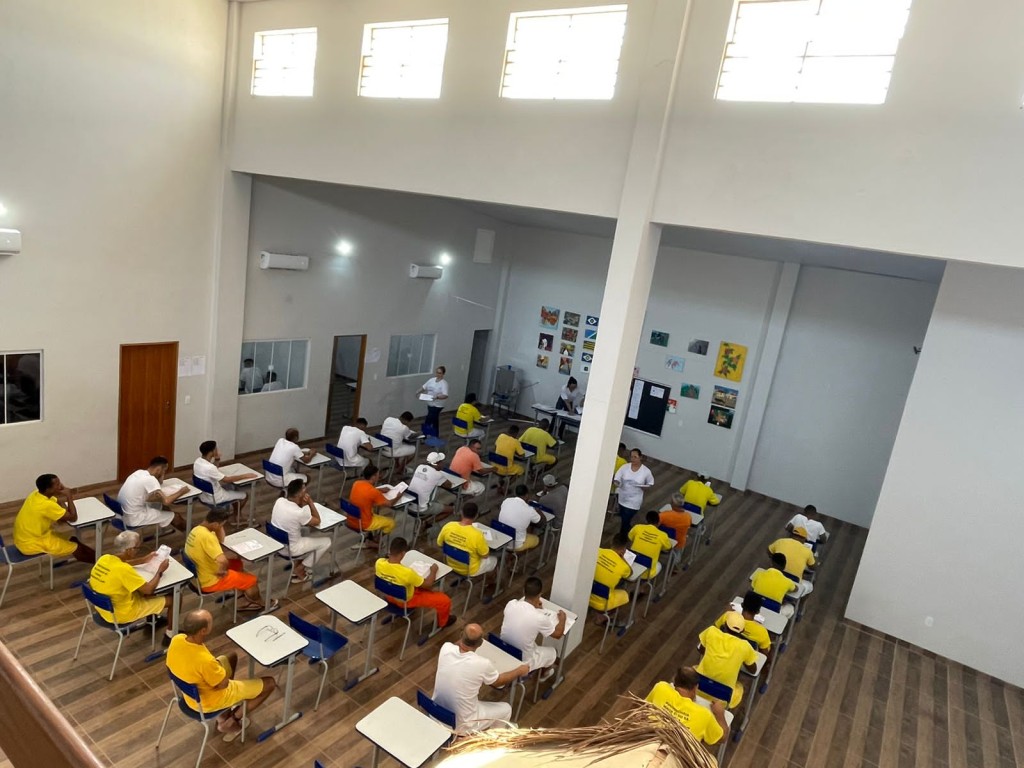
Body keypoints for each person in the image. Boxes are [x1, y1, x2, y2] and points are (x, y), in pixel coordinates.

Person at [166, 609, 276, 740]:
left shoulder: (177, 639)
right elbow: (223, 685)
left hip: (190, 695)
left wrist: (218, 670)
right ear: (203, 631)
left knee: (230, 657)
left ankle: (223, 715)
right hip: (210, 702)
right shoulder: (205, 661)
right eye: (210, 622)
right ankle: (231, 721)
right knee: (270, 683)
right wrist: (220, 672)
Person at [432, 623, 529, 731]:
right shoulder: (482, 664)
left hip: (436, 712)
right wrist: (520, 670)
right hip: (462, 723)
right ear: (480, 643)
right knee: (506, 709)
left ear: (461, 635)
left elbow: (457, 645)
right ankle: (494, 737)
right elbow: (499, 682)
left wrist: (465, 637)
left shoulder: (446, 648)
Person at [89, 530, 175, 645]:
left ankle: (153, 619)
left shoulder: (104, 558)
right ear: (130, 550)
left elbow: (124, 563)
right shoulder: (124, 570)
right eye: (138, 548)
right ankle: (170, 635)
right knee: (173, 599)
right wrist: (160, 571)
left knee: (140, 591)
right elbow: (148, 589)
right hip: (122, 614)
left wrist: (143, 560)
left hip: (103, 609)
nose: (138, 551)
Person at [184, 508, 276, 612]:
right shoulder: (207, 537)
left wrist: (218, 526)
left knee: (237, 564)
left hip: (199, 574)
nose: (222, 527)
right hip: (210, 581)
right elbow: (222, 561)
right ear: (215, 524)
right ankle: (261, 603)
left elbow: (221, 539)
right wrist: (222, 571)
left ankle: (240, 596)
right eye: (221, 525)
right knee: (252, 580)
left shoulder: (196, 530)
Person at [375, 536, 457, 628]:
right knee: (444, 601)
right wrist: (433, 571)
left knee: (417, 586)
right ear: (403, 553)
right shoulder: (407, 573)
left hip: (389, 596)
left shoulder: (379, 563)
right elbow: (428, 585)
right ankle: (443, 623)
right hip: (405, 601)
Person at [13, 474, 95, 563]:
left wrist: (64, 510)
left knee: (73, 539)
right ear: (48, 489)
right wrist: (69, 496)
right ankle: (99, 563)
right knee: (76, 548)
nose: (60, 486)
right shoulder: (46, 505)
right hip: (32, 543)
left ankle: (97, 558)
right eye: (57, 484)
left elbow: (57, 501)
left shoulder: (35, 494)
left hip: (24, 537)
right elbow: (73, 518)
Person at [499, 576, 566, 680]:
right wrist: (563, 620)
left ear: (524, 591)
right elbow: (557, 634)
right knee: (554, 652)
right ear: (539, 595)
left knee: (531, 643)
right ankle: (543, 674)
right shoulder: (539, 618)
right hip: (523, 660)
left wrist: (534, 607)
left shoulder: (511, 604)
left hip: (504, 648)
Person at [645, 666, 728, 746]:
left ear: (674, 682)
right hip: (678, 753)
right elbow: (723, 738)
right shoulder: (705, 715)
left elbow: (643, 707)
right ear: (695, 688)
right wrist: (720, 714)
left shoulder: (660, 688)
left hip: (647, 741)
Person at [270, 479, 330, 583]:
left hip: (277, 543)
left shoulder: (279, 501)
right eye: (304, 490)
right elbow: (317, 521)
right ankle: (300, 568)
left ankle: (298, 565)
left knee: (305, 531)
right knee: (327, 542)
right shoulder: (299, 513)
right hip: (291, 549)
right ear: (299, 495)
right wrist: (310, 502)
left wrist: (302, 502)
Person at [695, 611, 759, 709]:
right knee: (740, 687)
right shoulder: (745, 646)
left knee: (694, 669)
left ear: (724, 625)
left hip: (698, 687)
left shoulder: (711, 632)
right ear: (742, 630)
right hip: (721, 699)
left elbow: (701, 650)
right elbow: (753, 670)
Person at [193, 441, 258, 525]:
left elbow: (214, 470)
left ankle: (234, 513)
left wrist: (217, 459)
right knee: (244, 495)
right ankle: (236, 516)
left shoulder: (198, 462)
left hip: (203, 495)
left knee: (232, 488)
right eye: (215, 449)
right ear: (211, 452)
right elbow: (226, 479)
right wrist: (245, 475)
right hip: (215, 497)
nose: (217, 450)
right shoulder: (210, 468)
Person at [117, 456, 188, 532]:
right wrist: (182, 491)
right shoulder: (150, 479)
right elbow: (166, 501)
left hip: (123, 514)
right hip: (134, 518)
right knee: (175, 516)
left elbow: (160, 482)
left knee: (161, 506)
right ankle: (191, 534)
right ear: (159, 469)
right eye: (164, 471)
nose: (164, 473)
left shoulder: (139, 472)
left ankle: (164, 521)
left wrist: (160, 473)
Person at [436, 503, 497, 579]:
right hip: (470, 570)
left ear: (461, 513)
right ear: (476, 516)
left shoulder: (448, 526)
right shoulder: (477, 535)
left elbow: (439, 544)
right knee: (495, 560)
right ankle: (492, 583)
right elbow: (485, 555)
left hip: (450, 564)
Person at [346, 464, 396, 548]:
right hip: (364, 523)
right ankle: (376, 539)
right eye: (378, 474)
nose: (379, 476)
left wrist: (379, 490)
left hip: (351, 519)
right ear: (373, 477)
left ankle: (370, 539)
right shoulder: (373, 492)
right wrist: (399, 495)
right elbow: (389, 504)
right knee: (391, 523)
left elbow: (367, 492)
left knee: (372, 510)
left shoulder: (356, 483)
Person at [612, 449, 654, 538]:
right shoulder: (624, 467)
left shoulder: (646, 471)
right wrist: (617, 483)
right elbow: (617, 478)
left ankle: (622, 536)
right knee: (624, 517)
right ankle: (629, 530)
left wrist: (643, 487)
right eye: (631, 457)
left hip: (634, 500)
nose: (633, 459)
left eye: (635, 457)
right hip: (622, 497)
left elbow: (650, 484)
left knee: (626, 519)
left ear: (640, 457)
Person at [715, 592, 772, 657]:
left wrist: (729, 612)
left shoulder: (727, 616)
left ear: (742, 605)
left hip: (723, 651)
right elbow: (764, 654)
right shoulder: (762, 632)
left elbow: (715, 628)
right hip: (743, 659)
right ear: (757, 612)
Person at [588, 534, 632, 617]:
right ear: (624, 550)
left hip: (586, 594)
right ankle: (602, 617)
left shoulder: (598, 551)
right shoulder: (624, 566)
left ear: (611, 542)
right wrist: (623, 559)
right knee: (625, 595)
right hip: (603, 603)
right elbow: (630, 574)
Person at [408, 452, 455, 522]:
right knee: (452, 509)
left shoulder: (420, 467)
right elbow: (450, 485)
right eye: (441, 462)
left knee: (438, 503)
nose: (443, 464)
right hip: (422, 508)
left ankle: (425, 520)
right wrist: (442, 473)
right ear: (437, 463)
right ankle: (426, 524)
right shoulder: (438, 474)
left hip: (409, 505)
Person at [768, 527, 815, 597]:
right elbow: (813, 567)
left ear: (791, 535)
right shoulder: (808, 551)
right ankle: (800, 602)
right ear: (803, 539)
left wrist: (776, 559)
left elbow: (769, 551)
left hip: (773, 577)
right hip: (793, 583)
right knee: (810, 586)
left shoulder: (780, 541)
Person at [627, 510, 672, 583]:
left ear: (646, 520)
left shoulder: (637, 527)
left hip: (630, 564)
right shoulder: (663, 535)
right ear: (658, 522)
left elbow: (630, 537)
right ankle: (644, 586)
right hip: (647, 572)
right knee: (659, 565)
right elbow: (668, 548)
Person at [498, 484, 541, 552]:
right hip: (515, 545)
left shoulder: (506, 501)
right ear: (527, 495)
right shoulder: (529, 510)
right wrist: (538, 509)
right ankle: (515, 555)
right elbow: (541, 522)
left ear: (515, 493)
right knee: (536, 540)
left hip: (502, 539)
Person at [380, 411, 417, 477]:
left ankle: (397, 465)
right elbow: (409, 437)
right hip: (392, 451)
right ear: (407, 421)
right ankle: (400, 469)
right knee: (414, 450)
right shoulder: (404, 428)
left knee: (400, 444)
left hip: (382, 448)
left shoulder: (388, 419)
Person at [418, 365, 449, 436]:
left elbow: (445, 395)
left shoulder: (444, 383)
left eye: (440, 373)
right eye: (437, 372)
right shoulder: (431, 380)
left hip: (437, 405)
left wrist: (437, 397)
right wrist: (418, 392)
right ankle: (435, 435)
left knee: (429, 420)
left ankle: (425, 434)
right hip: (430, 403)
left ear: (443, 374)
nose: (438, 374)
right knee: (434, 420)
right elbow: (424, 387)